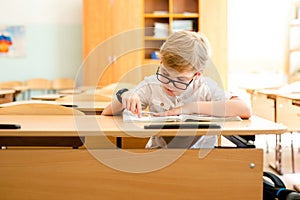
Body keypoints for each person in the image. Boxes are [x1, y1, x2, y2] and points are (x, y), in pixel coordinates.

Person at [102, 30, 252, 148]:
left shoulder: (206, 88)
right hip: (158, 154)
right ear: (161, 62)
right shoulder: (152, 85)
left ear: (197, 75)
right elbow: (107, 112)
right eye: (165, 74)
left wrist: (191, 108)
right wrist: (124, 95)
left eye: (180, 80)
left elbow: (244, 109)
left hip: (201, 162)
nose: (170, 85)